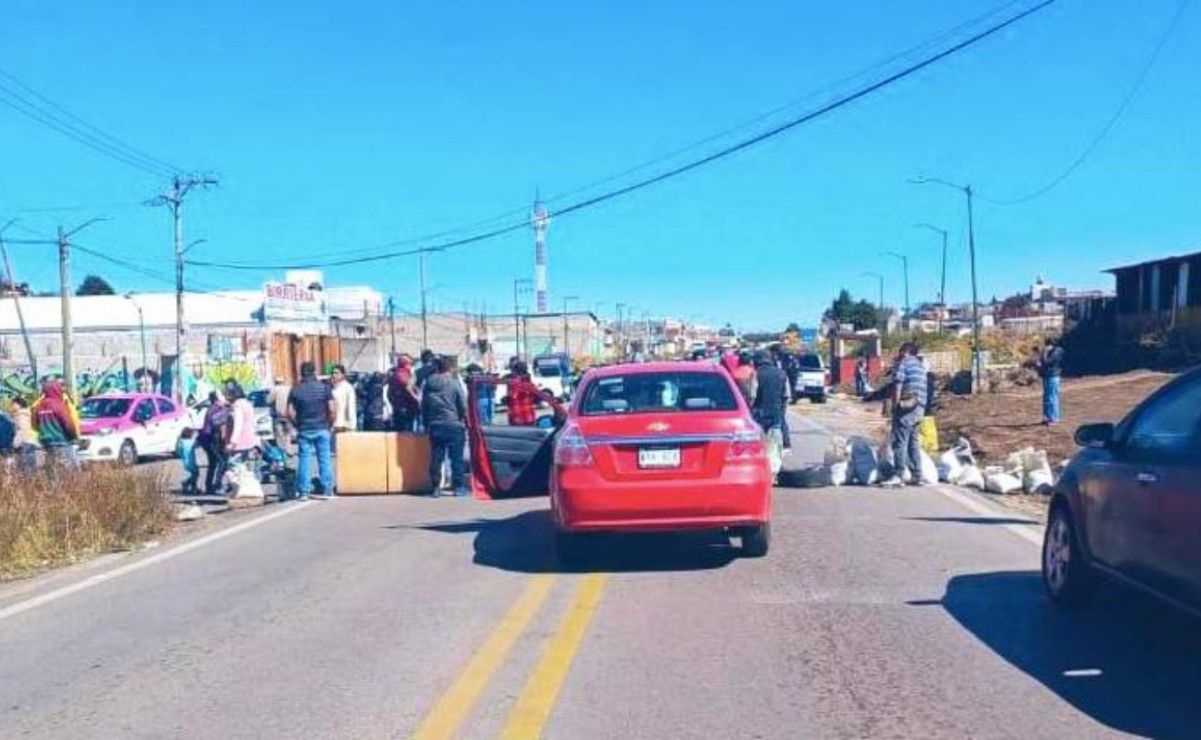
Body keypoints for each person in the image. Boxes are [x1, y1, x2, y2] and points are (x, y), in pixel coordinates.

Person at [880, 342, 928, 487]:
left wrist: (894, 406)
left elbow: (898, 385)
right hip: (919, 408)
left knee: (900, 441)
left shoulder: (904, 363)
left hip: (906, 406)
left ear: (906, 352)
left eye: (901, 352)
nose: (899, 355)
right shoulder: (920, 366)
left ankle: (898, 475)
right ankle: (917, 475)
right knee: (913, 443)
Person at [421, 356, 469, 496]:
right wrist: (465, 420)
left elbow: (424, 406)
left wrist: (426, 424)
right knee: (456, 458)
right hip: (454, 424)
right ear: (449, 369)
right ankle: (458, 487)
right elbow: (462, 405)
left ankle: (435, 487)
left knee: (437, 457)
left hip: (435, 425)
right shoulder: (454, 384)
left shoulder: (428, 385)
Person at [288, 361, 336, 500]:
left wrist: (297, 424)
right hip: (322, 427)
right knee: (324, 458)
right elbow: (332, 409)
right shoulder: (325, 388)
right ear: (314, 372)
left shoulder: (296, 390)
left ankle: (303, 491)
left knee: (304, 459)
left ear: (301, 373)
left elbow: (290, 412)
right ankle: (327, 489)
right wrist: (329, 424)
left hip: (304, 429)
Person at [31, 379, 81, 470]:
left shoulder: (39, 406)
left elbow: (34, 425)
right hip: (62, 441)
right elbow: (68, 424)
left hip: (46, 442)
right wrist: (74, 436)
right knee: (73, 468)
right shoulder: (59, 405)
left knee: (52, 468)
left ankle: (52, 483)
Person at [198, 391, 231, 495]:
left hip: (207, 439)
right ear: (217, 399)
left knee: (213, 463)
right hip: (211, 439)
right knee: (222, 462)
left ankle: (209, 486)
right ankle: (217, 485)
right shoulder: (217, 409)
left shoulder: (213, 408)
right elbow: (217, 423)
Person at [506, 360, 553, 427]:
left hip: (516, 418)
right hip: (527, 418)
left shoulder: (512, 383)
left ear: (515, 371)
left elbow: (510, 400)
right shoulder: (528, 383)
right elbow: (536, 398)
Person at [751, 351, 787, 435]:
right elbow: (786, 395)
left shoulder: (756, 373)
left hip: (760, 411)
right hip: (776, 410)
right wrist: (782, 409)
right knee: (775, 438)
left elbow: (753, 395)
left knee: (760, 438)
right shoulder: (782, 373)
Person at [224, 380, 259, 465]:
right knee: (244, 469)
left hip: (239, 444)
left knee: (236, 471)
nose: (227, 396)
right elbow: (254, 423)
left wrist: (232, 443)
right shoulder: (247, 404)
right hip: (249, 442)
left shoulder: (238, 406)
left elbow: (238, 425)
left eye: (228, 394)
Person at [387, 354, 421, 432]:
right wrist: (417, 398)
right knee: (405, 432)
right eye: (411, 364)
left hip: (405, 408)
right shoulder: (401, 373)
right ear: (406, 364)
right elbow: (408, 387)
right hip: (404, 409)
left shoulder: (403, 373)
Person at [1036, 337, 1065, 425]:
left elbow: (1048, 362)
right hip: (1047, 376)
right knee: (1046, 398)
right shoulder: (1050, 351)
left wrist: (1044, 353)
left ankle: (1054, 418)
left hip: (1053, 376)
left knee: (1052, 398)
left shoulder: (1057, 351)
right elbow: (1042, 363)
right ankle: (1046, 417)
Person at [8, 397, 39, 474]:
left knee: (26, 470)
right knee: (30, 468)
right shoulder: (25, 414)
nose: (12, 406)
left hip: (24, 443)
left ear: (19, 405)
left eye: (13, 404)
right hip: (29, 442)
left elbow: (22, 430)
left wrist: (15, 443)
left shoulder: (21, 415)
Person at [266, 376, 293, 448]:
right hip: (288, 414)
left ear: (276, 382)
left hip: (278, 415)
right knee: (288, 433)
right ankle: (288, 448)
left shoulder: (275, 389)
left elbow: (268, 401)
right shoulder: (289, 388)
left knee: (279, 433)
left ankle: (282, 450)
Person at [330, 364, 357, 434]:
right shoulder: (332, 388)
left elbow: (351, 407)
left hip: (344, 425)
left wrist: (352, 425)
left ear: (343, 375)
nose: (334, 375)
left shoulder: (348, 388)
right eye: (333, 373)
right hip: (334, 425)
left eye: (337, 373)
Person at [177, 427, 200, 494]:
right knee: (196, 474)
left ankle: (193, 488)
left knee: (194, 474)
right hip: (191, 462)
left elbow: (178, 450)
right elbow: (196, 442)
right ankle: (187, 484)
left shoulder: (181, 442)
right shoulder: (190, 442)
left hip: (185, 462)